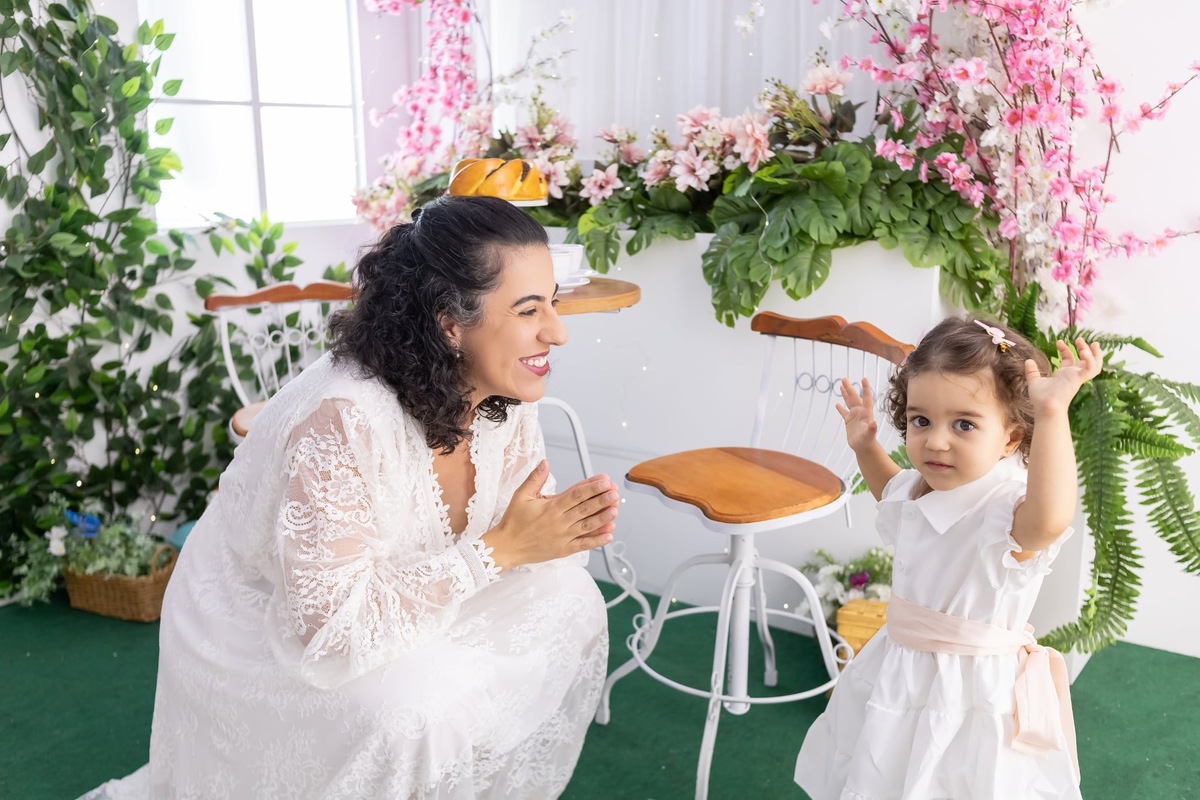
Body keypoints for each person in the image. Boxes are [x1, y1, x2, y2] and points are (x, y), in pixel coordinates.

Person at [85, 194, 620, 800]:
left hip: (405, 589)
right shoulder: (344, 418)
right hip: (265, 634)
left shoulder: (504, 390)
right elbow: (325, 631)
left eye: (554, 302)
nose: (558, 331)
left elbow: (517, 534)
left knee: (572, 598)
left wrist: (553, 531)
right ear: (450, 323)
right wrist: (499, 551)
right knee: (417, 712)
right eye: (529, 310)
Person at [795, 316, 1101, 799]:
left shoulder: (1006, 511)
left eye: (964, 424)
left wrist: (1052, 414)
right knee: (885, 769)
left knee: (951, 780)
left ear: (1010, 438)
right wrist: (865, 446)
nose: (936, 441)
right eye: (921, 420)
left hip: (967, 692)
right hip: (899, 669)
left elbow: (1049, 521)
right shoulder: (921, 486)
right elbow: (892, 493)